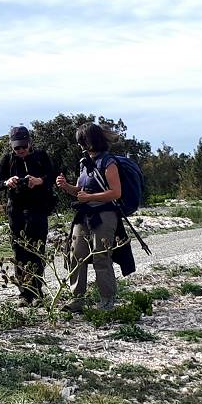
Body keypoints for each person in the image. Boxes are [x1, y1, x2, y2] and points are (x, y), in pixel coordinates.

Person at [56, 123, 122, 312]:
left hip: (105, 215)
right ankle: (77, 299)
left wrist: (89, 197)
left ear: (90, 141)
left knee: (101, 256)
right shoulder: (84, 162)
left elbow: (116, 193)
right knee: (76, 254)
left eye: (81, 141)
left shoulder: (108, 162)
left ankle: (107, 300)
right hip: (84, 215)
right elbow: (80, 190)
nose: (79, 145)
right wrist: (66, 186)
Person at [0, 125, 57, 306]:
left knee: (37, 250)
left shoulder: (41, 156)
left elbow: (54, 176)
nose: (21, 150)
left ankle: (36, 291)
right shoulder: (8, 159)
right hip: (16, 211)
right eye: (17, 147)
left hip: (38, 209)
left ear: (30, 143)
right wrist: (7, 182)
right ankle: (24, 294)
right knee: (19, 251)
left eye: (24, 146)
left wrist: (40, 180)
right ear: (11, 146)